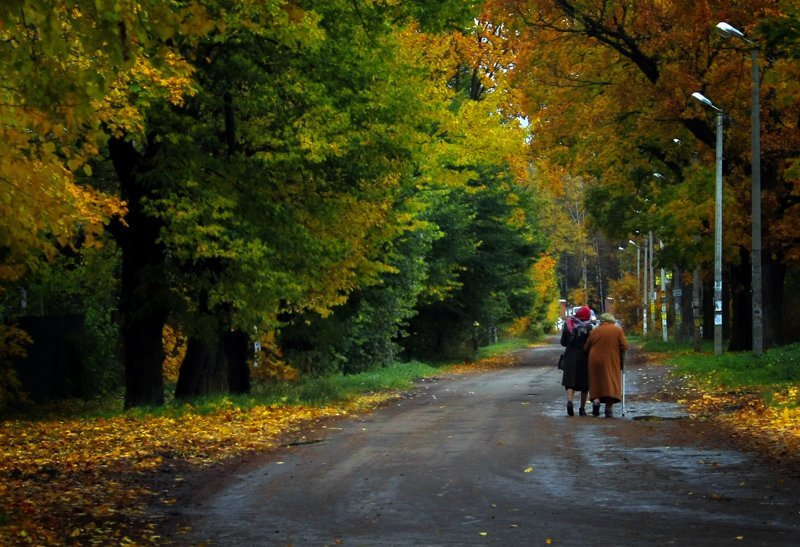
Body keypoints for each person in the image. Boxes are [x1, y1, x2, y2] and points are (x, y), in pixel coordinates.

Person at [584, 312, 629, 417]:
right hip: (611, 360)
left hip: (594, 360)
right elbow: (624, 346)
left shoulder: (594, 331)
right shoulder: (617, 330)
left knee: (596, 381)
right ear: (611, 322)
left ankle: (596, 401)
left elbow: (586, 347)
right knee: (610, 382)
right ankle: (608, 409)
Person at [559, 305, 593, 416]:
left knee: (570, 382)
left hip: (570, 357)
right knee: (585, 384)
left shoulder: (568, 324)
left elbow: (563, 342)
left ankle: (570, 402)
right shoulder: (588, 327)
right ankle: (582, 408)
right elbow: (591, 343)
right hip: (584, 357)